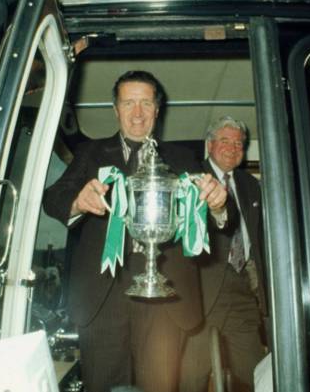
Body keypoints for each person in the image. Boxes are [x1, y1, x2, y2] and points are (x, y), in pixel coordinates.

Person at [42, 71, 227, 392]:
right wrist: (77, 201)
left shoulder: (183, 158)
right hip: (103, 294)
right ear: (116, 110)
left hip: (167, 296)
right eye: (129, 103)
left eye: (145, 103)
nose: (137, 113)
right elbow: (52, 198)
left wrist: (217, 205)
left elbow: (209, 214)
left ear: (157, 109)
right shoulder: (91, 153)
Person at [180, 116, 268, 392]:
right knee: (192, 377)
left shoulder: (251, 185)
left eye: (239, 143)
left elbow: (258, 237)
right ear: (209, 145)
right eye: (225, 141)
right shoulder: (192, 178)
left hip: (243, 287)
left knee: (257, 374)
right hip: (202, 291)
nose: (232, 148)